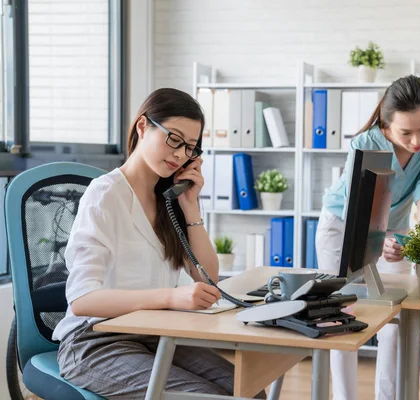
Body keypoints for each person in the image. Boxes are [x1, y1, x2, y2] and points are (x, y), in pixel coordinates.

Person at [53, 88, 265, 399]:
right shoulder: (105, 195)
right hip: (95, 341)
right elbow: (83, 300)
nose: (180, 154)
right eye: (174, 139)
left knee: (250, 392)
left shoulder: (170, 199)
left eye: (190, 147)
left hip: (154, 335)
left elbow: (207, 278)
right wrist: (171, 297)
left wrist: (190, 205)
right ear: (143, 127)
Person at [316, 75, 420, 400]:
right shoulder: (364, 143)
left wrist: (419, 240)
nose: (417, 141)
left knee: (396, 318)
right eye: (406, 133)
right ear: (387, 125)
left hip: (396, 228)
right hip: (344, 226)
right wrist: (378, 241)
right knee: (341, 315)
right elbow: (359, 207)